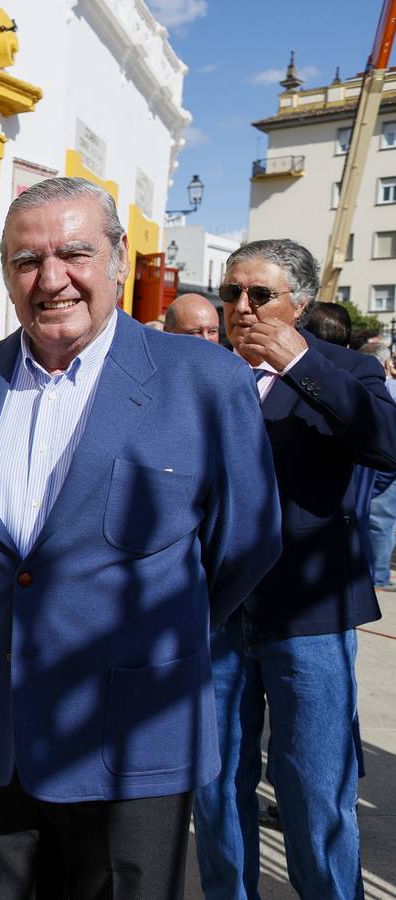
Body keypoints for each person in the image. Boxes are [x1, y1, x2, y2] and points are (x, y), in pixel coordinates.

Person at [0, 177, 282, 898]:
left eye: (75, 253)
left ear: (119, 259)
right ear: (6, 274)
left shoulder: (205, 380)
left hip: (134, 727)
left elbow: (246, 541)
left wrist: (157, 632)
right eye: (27, 261)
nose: (51, 278)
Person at [194, 239, 396, 899]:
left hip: (309, 613)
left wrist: (302, 364)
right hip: (217, 613)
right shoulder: (202, 373)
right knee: (218, 784)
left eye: (261, 295)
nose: (242, 308)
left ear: (300, 304)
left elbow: (385, 442)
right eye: (231, 294)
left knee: (314, 785)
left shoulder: (343, 369)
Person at [360, 340, 396, 590]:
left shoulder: (385, 388)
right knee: (381, 523)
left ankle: (379, 576)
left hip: (381, 471)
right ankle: (379, 576)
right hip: (381, 471)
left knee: (379, 522)